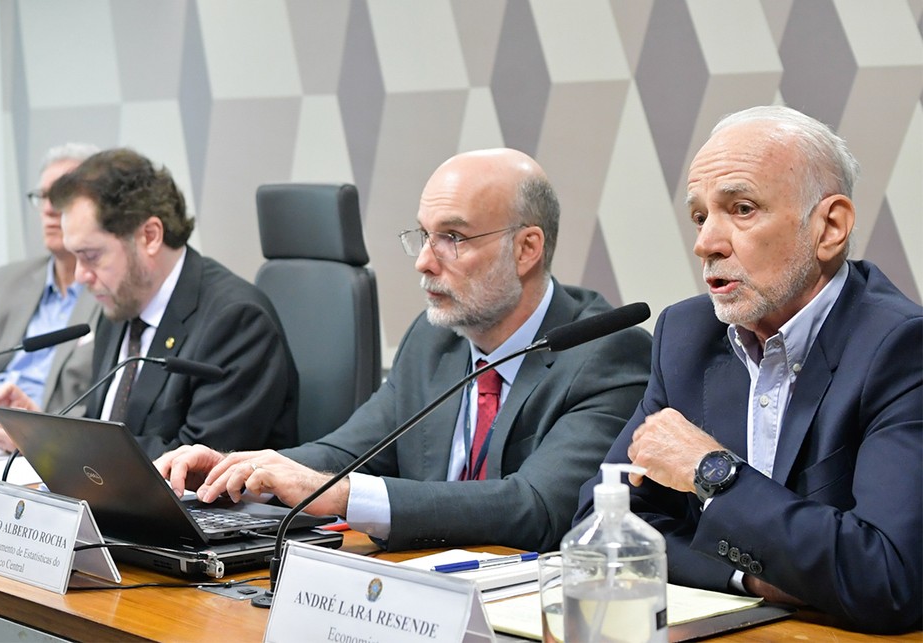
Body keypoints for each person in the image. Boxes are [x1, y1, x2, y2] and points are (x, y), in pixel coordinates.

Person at [156, 148, 652, 552]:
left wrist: (341, 496)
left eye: (452, 238)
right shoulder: (434, 339)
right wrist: (238, 469)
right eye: (424, 235)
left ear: (526, 249)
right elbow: (347, 452)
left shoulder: (605, 353)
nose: (423, 262)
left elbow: (536, 507)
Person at [575, 106, 922, 633]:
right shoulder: (687, 336)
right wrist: (751, 578)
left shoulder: (900, 348)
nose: (705, 243)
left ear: (830, 227)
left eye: (741, 208)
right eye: (699, 216)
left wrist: (712, 471)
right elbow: (605, 525)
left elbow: (887, 578)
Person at [0, 148, 299, 459]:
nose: (81, 276)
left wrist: (55, 447)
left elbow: (198, 466)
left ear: (150, 236)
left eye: (91, 256)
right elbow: (109, 430)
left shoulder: (237, 321)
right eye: (75, 257)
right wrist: (40, 431)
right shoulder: (119, 308)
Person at [0, 143, 101, 434]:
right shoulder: (5, 281)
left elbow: (95, 408)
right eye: (43, 197)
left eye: (64, 195)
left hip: (38, 444)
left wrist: (32, 438)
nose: (51, 208)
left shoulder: (110, 294)